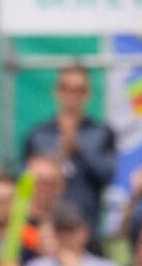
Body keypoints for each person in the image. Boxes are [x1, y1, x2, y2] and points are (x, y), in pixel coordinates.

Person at [20, 66, 118, 224]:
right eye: (66, 89)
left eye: (79, 90)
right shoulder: (39, 134)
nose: (72, 96)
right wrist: (58, 157)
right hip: (43, 224)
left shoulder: (102, 133)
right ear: (56, 92)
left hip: (86, 224)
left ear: (88, 94)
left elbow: (108, 175)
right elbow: (25, 179)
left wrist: (78, 150)